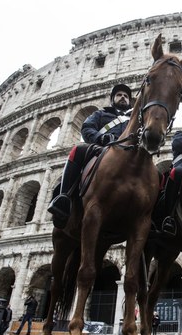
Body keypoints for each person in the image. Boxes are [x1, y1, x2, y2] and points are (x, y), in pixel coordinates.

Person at [47, 84, 132, 228]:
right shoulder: (101, 114)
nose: (123, 97)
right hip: (101, 147)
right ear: (112, 99)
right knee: (78, 150)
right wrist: (100, 138)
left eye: (126, 96)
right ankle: (63, 198)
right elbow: (87, 128)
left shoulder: (134, 118)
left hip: (128, 152)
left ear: (130, 101)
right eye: (119, 95)